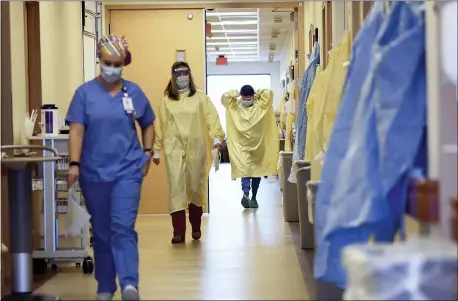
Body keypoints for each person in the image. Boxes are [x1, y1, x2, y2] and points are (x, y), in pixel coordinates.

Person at [66, 34, 155, 301]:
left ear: (124, 63)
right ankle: (105, 286)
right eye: (107, 62)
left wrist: (148, 152)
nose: (112, 68)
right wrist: (74, 163)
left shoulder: (134, 92)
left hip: (128, 171)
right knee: (103, 232)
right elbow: (77, 131)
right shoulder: (84, 94)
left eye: (117, 63)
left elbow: (148, 122)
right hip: (93, 174)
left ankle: (129, 283)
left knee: (123, 227)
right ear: (99, 60)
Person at [152, 61, 225, 244]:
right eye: (179, 74)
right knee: (176, 188)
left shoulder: (200, 98)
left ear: (190, 76)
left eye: (186, 73)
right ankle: (178, 232)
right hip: (173, 149)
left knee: (195, 188)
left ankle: (196, 227)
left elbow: (211, 118)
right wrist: (157, 149)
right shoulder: (166, 101)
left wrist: (217, 139)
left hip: (196, 148)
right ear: (173, 77)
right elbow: (160, 125)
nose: (183, 77)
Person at [221, 85, 279, 209]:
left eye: (249, 97)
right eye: (244, 97)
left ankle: (254, 197)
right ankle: (246, 194)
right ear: (241, 96)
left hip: (258, 144)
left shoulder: (261, 105)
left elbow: (269, 93)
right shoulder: (235, 106)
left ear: (253, 96)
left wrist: (258, 92)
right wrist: (235, 92)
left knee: (257, 171)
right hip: (242, 145)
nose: (247, 100)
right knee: (244, 169)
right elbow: (224, 98)